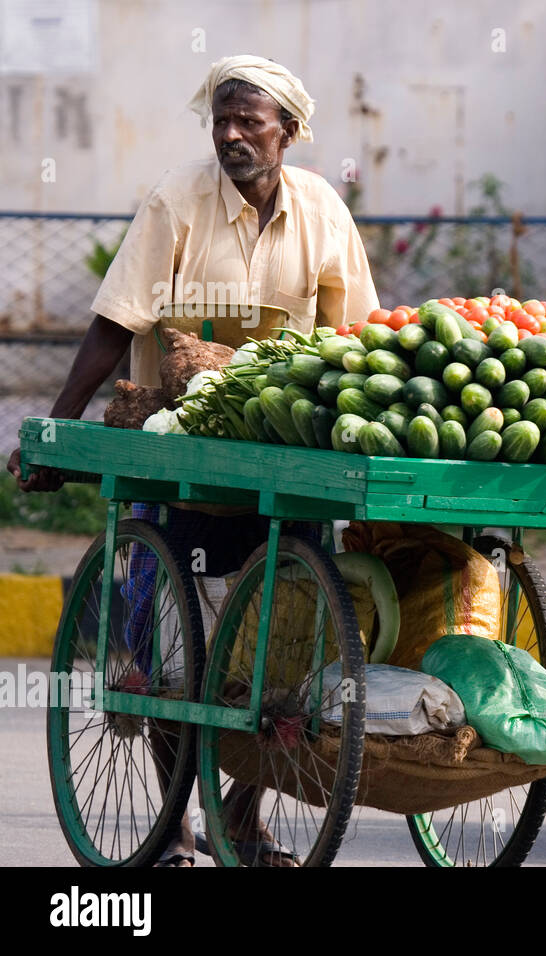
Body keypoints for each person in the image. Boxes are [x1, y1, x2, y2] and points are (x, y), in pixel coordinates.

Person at [7, 55, 380, 865]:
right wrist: (58, 424)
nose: (233, 134)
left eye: (251, 121)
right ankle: (174, 826)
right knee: (174, 644)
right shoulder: (177, 200)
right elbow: (116, 321)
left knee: (288, 646)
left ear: (289, 130)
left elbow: (359, 340)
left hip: (284, 459)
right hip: (180, 447)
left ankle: (241, 817)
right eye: (222, 120)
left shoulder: (322, 211)